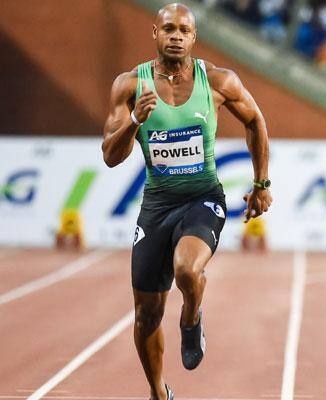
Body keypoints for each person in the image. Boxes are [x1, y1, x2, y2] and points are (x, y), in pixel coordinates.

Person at [101, 4, 272, 399]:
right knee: (146, 316)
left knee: (187, 270)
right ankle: (159, 392)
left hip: (202, 198)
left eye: (184, 30)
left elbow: (256, 121)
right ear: (155, 34)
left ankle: (192, 317)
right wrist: (134, 121)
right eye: (169, 29)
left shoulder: (217, 81)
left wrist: (261, 182)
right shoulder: (129, 85)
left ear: (194, 37)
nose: (176, 36)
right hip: (157, 206)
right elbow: (110, 156)